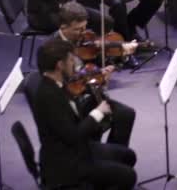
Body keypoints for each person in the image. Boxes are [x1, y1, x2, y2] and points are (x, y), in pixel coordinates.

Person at [32, 39, 137, 189]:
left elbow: (72, 112)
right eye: (70, 60)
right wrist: (98, 113)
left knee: (128, 156)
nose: (73, 64)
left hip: (74, 150)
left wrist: (98, 86)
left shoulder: (57, 83)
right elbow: (74, 136)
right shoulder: (49, 96)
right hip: (66, 164)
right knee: (128, 176)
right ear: (59, 65)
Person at [53, 1, 137, 147]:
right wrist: (93, 79)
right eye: (78, 29)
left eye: (84, 27)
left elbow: (96, 64)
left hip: (92, 93)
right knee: (95, 127)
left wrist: (104, 72)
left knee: (126, 114)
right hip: (73, 103)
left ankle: (114, 157)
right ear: (63, 27)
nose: (83, 33)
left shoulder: (84, 40)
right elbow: (62, 87)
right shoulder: (52, 49)